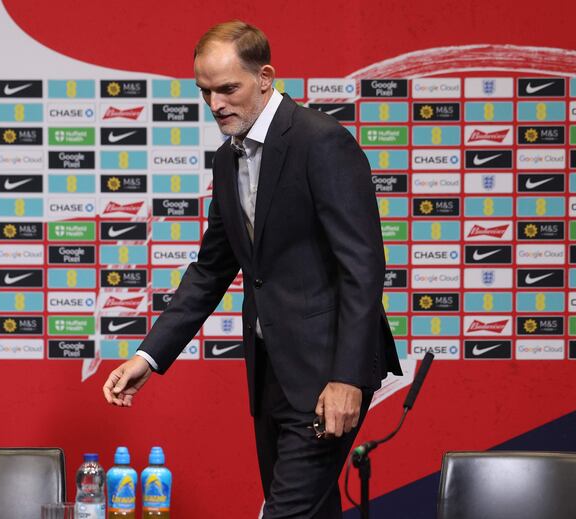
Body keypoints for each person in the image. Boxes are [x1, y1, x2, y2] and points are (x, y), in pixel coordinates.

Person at [102, 20, 402, 518]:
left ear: (265, 77)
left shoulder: (320, 141)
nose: (215, 103)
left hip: (328, 375)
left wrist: (348, 376)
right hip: (269, 373)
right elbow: (210, 270)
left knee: (285, 512)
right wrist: (148, 357)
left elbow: (363, 266)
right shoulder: (228, 159)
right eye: (205, 92)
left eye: (227, 88)